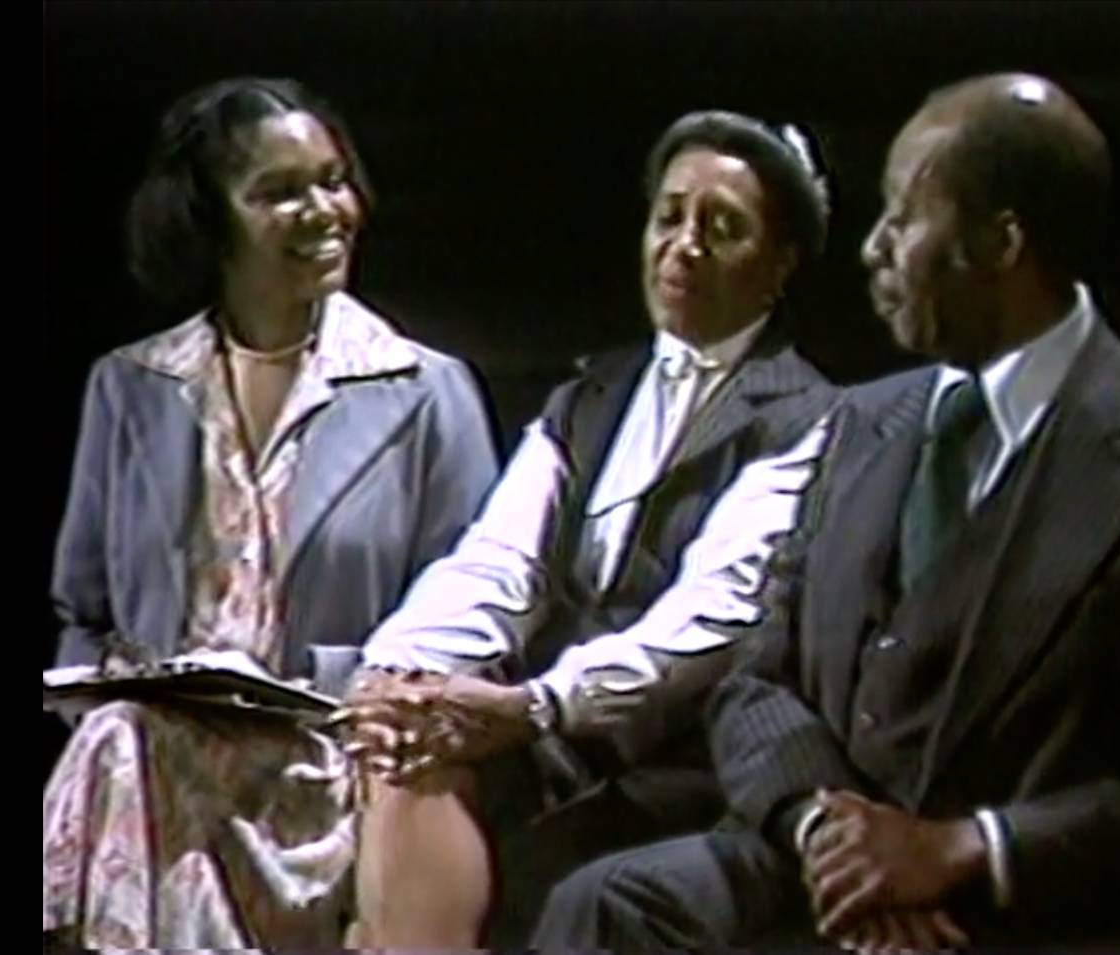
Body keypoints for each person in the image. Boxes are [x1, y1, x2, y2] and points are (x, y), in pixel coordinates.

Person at [533, 73, 1120, 953]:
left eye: (903, 215)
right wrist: (826, 830)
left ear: (1001, 241)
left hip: (1009, 910)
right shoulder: (858, 422)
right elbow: (756, 677)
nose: (873, 249)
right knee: (607, 903)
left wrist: (963, 849)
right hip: (814, 868)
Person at [339, 109, 839, 947]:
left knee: (548, 870)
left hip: (679, 762)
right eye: (670, 216)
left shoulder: (807, 418)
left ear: (779, 265)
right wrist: (404, 670)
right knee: (406, 751)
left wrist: (540, 703)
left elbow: (712, 619)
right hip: (548, 740)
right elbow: (498, 561)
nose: (683, 245)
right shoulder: (592, 394)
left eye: (723, 228)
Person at [41, 76, 499, 949]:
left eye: (333, 179)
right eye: (280, 192)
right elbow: (83, 611)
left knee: (123, 747)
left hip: (340, 764)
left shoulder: (428, 393)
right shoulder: (129, 387)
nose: (326, 209)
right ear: (211, 220)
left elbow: (474, 622)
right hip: (151, 766)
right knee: (123, 739)